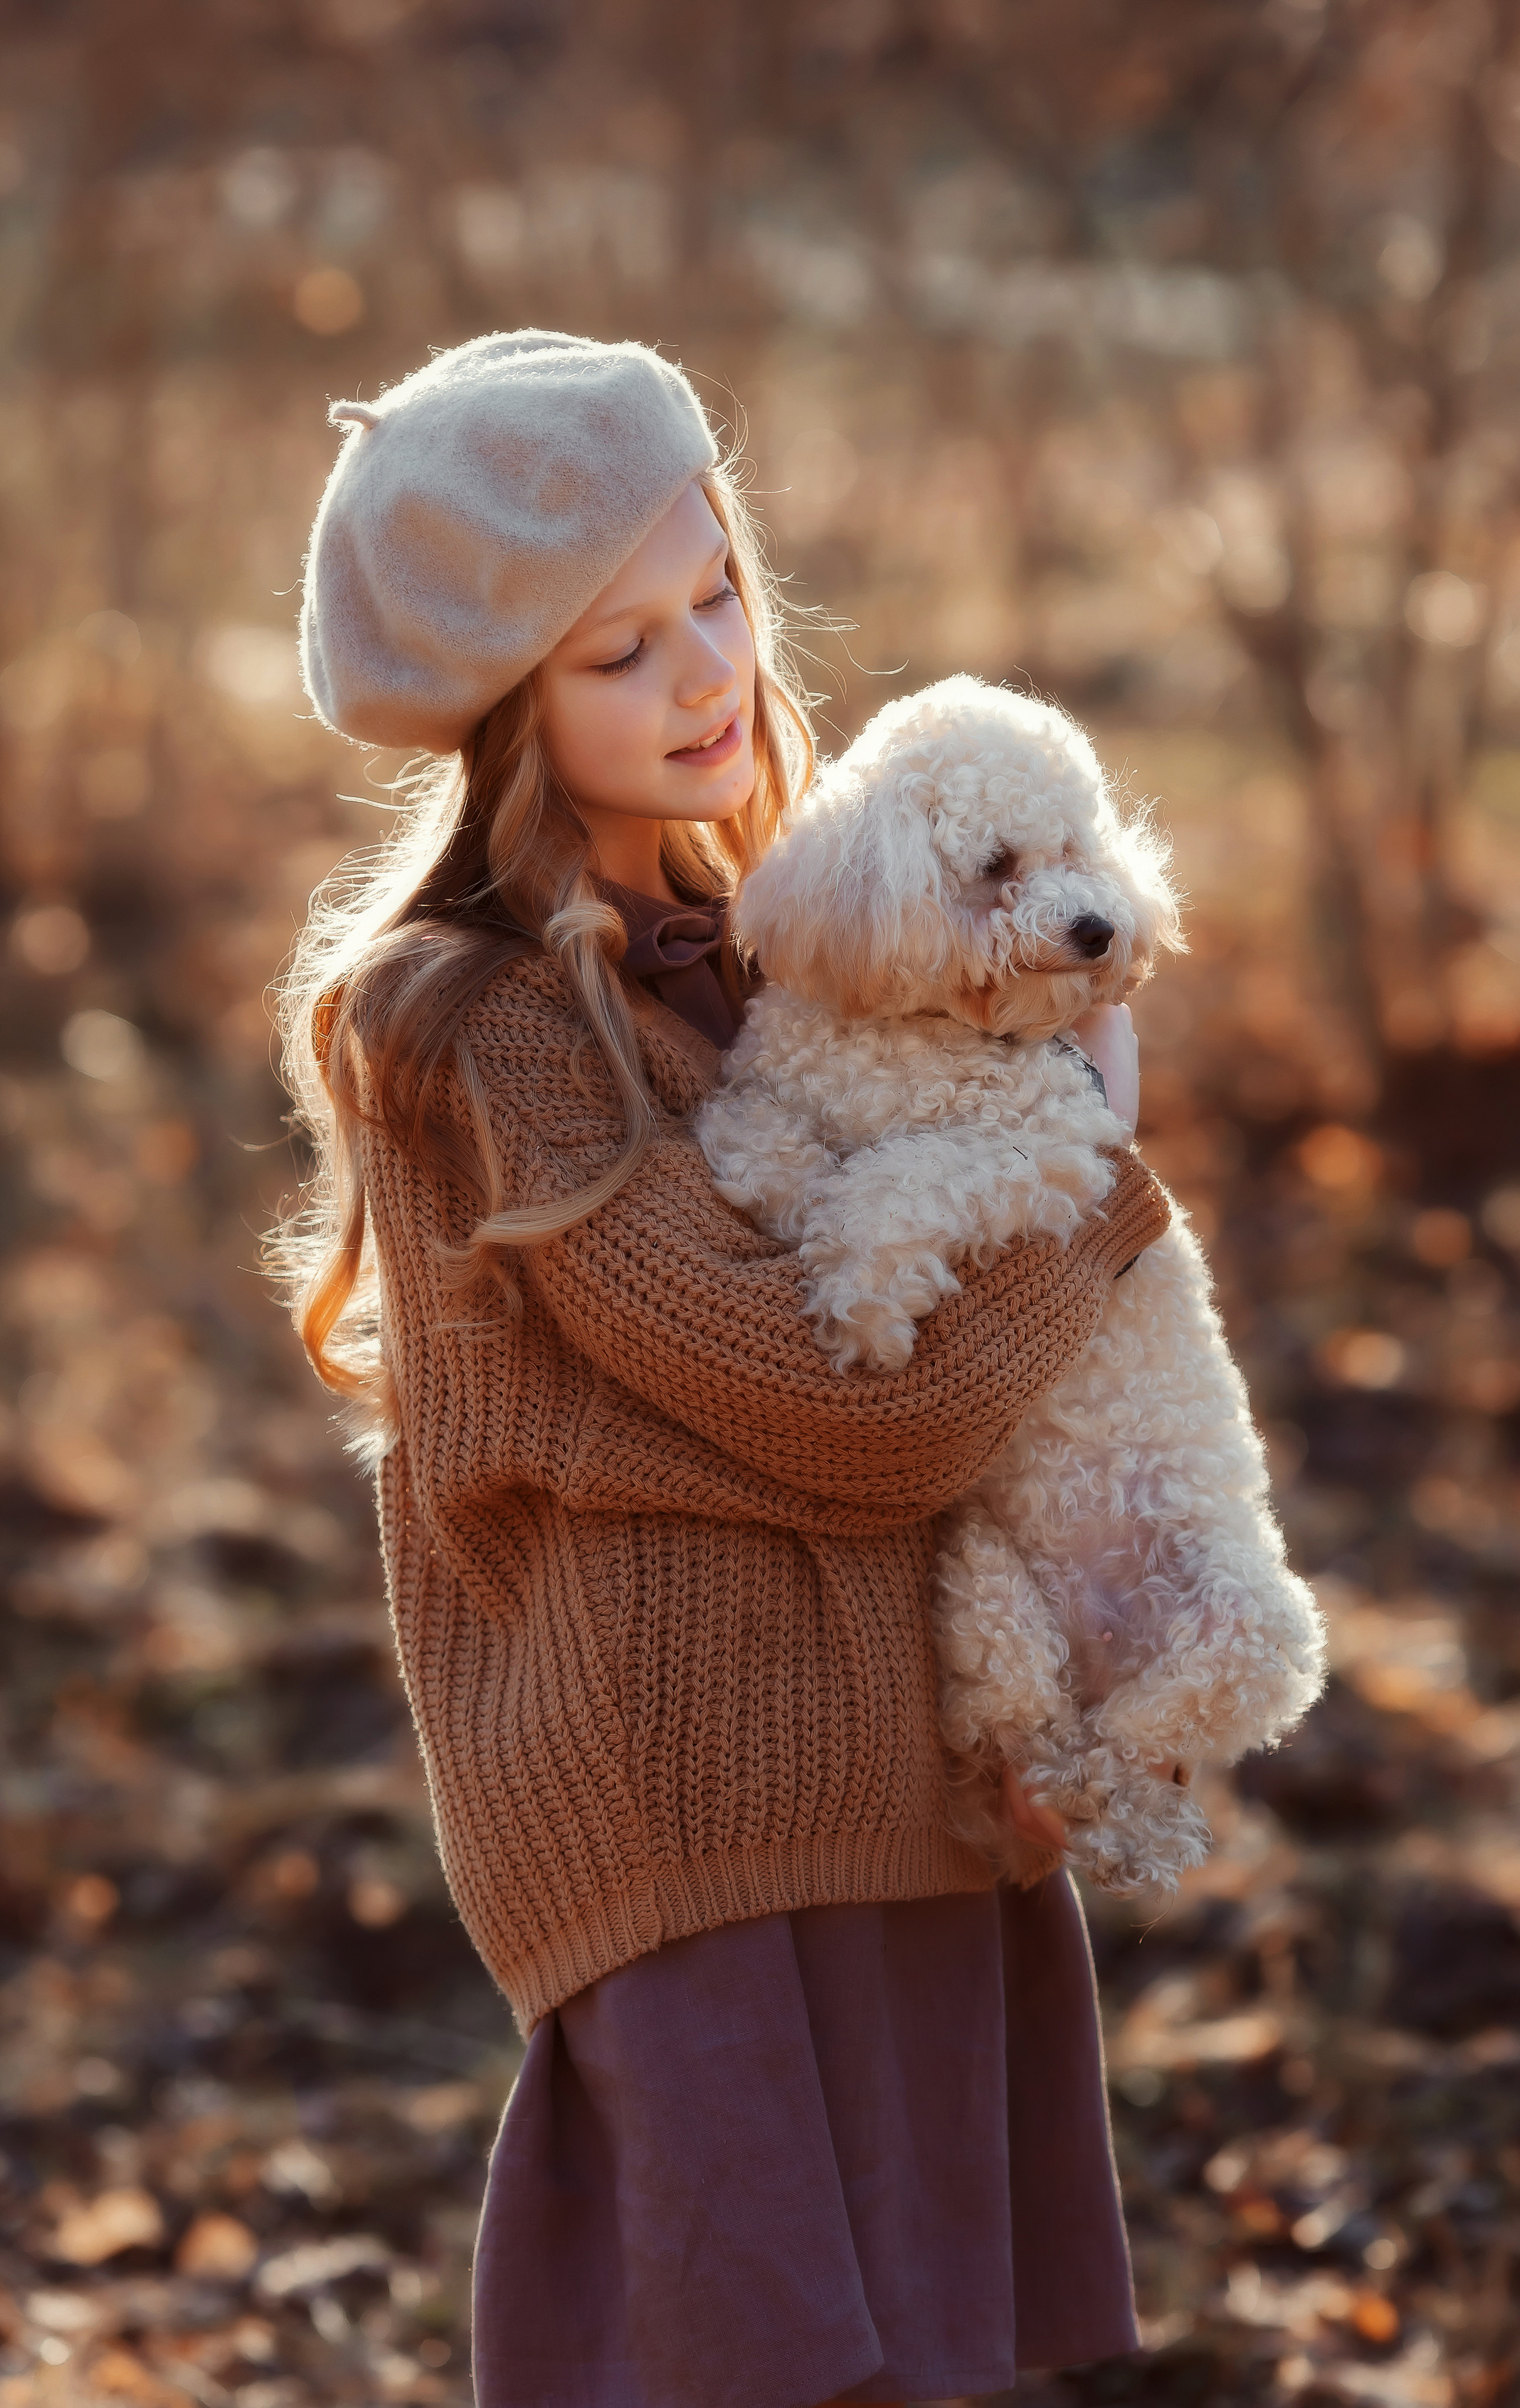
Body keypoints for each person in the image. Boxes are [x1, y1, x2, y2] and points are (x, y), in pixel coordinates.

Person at [275, 328, 1170, 2408]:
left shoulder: (803, 956)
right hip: (697, 1837)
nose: (705, 674)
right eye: (615, 653)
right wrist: (1093, 1168)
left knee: (958, 2353)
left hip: (912, 1790)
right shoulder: (487, 1024)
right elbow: (851, 1403)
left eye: (717, 594)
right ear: (505, 711)